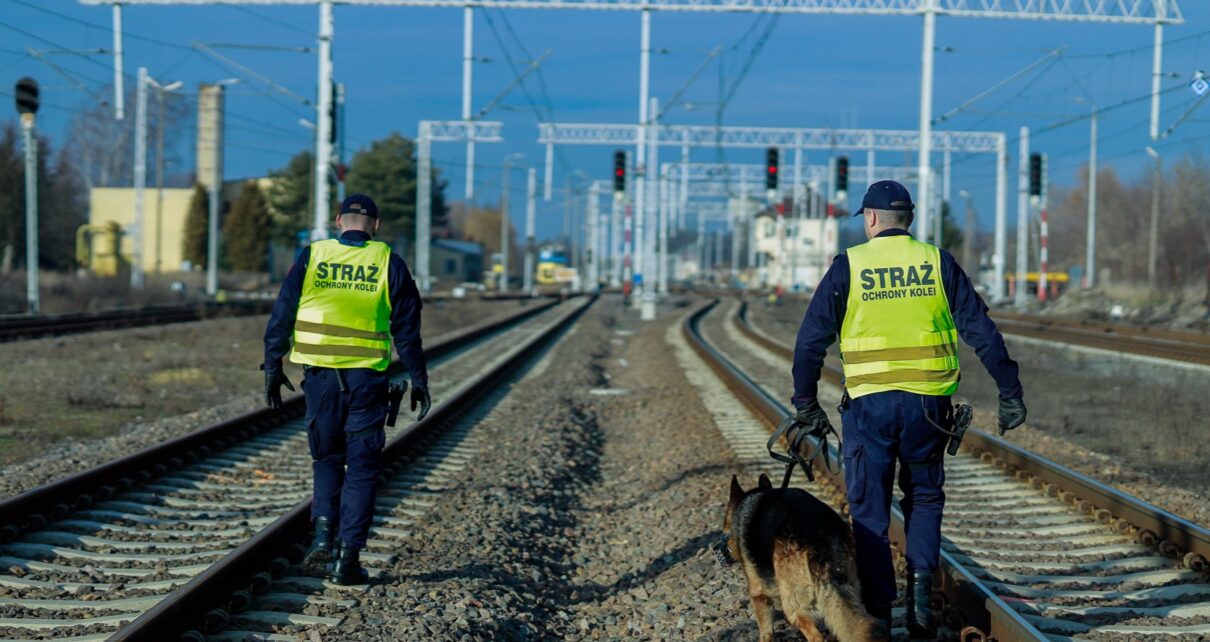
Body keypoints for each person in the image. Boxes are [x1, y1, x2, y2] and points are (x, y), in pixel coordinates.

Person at [787, 180, 1026, 639]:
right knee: (925, 499)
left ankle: (878, 616)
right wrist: (1009, 390)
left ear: (871, 218)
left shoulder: (849, 266)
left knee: (870, 511)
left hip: (870, 409)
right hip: (929, 409)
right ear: (908, 219)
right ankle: (920, 611)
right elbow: (981, 330)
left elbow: (810, 342)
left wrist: (805, 403)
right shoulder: (937, 262)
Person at [262, 194, 432, 585]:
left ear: (338, 220)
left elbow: (282, 313)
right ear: (376, 225)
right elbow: (408, 332)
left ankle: (323, 536)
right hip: (366, 382)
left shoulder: (313, 256)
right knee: (362, 468)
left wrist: (272, 365)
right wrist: (419, 380)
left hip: (320, 379)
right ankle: (348, 559)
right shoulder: (389, 262)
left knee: (326, 460)